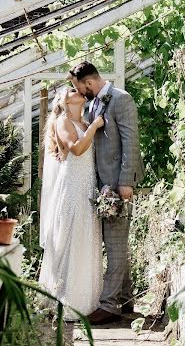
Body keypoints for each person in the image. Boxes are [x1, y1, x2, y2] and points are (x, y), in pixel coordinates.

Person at [68, 60, 145, 325]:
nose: (79, 92)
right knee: (115, 243)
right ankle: (124, 298)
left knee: (115, 245)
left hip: (117, 185)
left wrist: (126, 181)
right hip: (102, 186)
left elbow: (131, 142)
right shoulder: (93, 104)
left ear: (89, 82)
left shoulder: (121, 99)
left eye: (79, 87)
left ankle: (109, 305)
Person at [39, 86, 105, 320]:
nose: (78, 92)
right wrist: (96, 127)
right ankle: (65, 301)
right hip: (72, 187)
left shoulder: (86, 122)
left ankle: (86, 300)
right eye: (72, 90)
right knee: (70, 238)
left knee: (85, 239)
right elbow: (76, 149)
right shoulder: (63, 121)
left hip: (87, 186)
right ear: (64, 100)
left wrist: (92, 126)